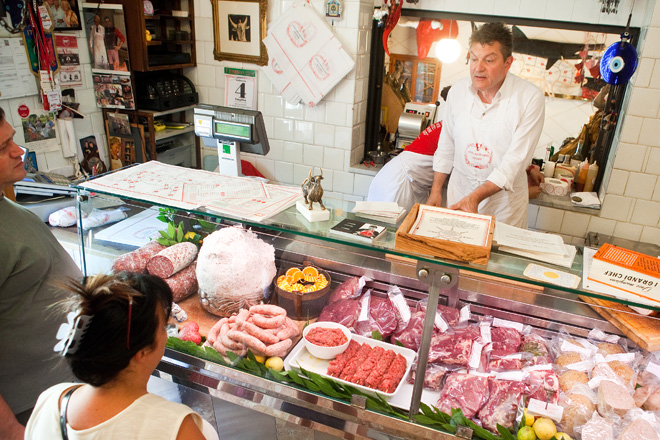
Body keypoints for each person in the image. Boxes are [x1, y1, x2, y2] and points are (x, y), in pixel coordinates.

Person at [24, 272, 207, 440]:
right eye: (163, 328)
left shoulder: (50, 400)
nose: (166, 335)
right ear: (141, 352)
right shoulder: (177, 428)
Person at [0, 106, 82, 440]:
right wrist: (12, 432)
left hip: (65, 386)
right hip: (28, 410)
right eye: (3, 148)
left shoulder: (8, 206)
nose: (18, 151)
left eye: (13, 140)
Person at [426, 22, 545, 228]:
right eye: (473, 59)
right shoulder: (457, 92)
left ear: (508, 63)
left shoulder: (529, 98)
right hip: (459, 196)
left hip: (504, 207)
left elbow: (514, 162)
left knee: (497, 258)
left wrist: (476, 197)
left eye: (489, 60)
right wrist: (436, 191)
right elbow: (446, 146)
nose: (478, 68)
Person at [366, 86, 451, 213]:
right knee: (388, 230)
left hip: (408, 182)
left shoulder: (450, 125)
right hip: (398, 184)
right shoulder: (451, 129)